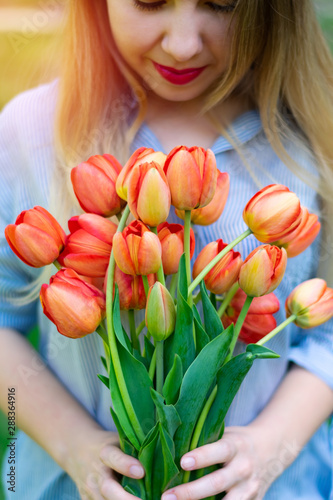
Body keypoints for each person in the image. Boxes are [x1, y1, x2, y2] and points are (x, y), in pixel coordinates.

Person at [0, 1, 333, 499]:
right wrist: (70, 443)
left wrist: (273, 444)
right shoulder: (32, 131)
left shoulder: (314, 134)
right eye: (151, 0)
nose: (182, 44)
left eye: (222, 4)